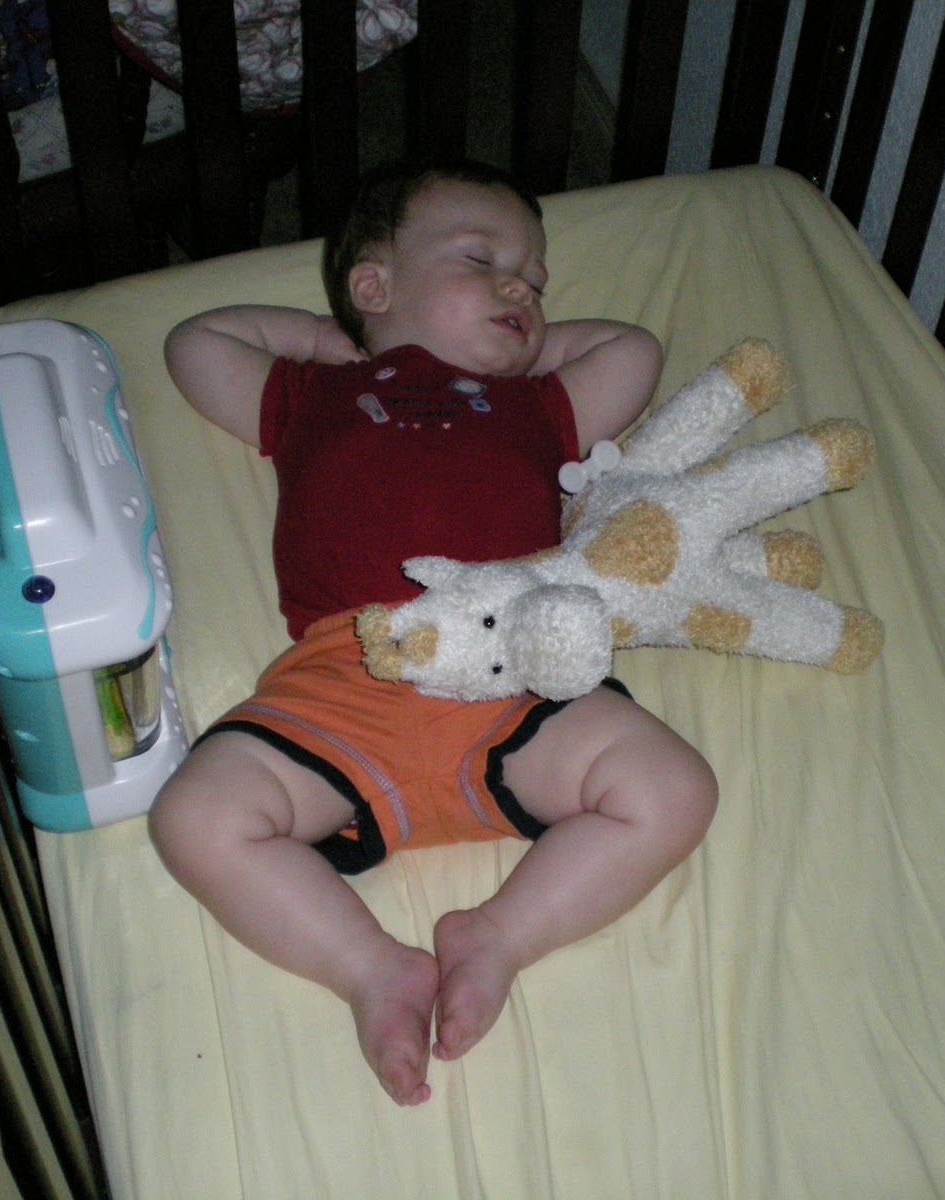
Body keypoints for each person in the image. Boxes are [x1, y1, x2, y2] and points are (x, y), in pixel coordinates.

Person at [153, 159, 718, 1107]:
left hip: (513, 670)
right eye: (482, 261)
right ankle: (371, 968)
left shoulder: (536, 407)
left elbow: (633, 350)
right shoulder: (316, 397)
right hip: (348, 677)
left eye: (534, 281)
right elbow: (196, 343)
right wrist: (341, 344)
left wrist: (515, 351)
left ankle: (498, 936)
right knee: (194, 818)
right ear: (374, 284)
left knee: (675, 789)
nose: (520, 289)